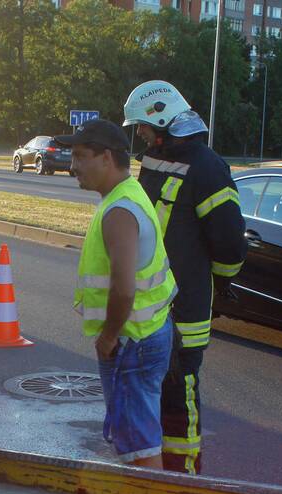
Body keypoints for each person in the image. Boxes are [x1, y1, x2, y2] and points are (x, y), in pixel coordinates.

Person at [123, 80, 247, 475]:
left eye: (143, 125)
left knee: (177, 392)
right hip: (161, 301)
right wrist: (223, 281)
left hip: (180, 309)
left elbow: (229, 241)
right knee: (158, 394)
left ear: (162, 119)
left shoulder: (207, 167)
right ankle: (160, 473)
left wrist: (222, 280)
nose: (139, 133)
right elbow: (225, 248)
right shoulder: (163, 159)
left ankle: (183, 478)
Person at [56, 120, 177, 468]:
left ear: (107, 158)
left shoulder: (119, 212)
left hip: (131, 342)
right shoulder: (129, 194)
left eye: (80, 156)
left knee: (138, 446)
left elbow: (124, 289)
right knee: (139, 434)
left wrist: (108, 337)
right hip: (148, 332)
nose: (73, 166)